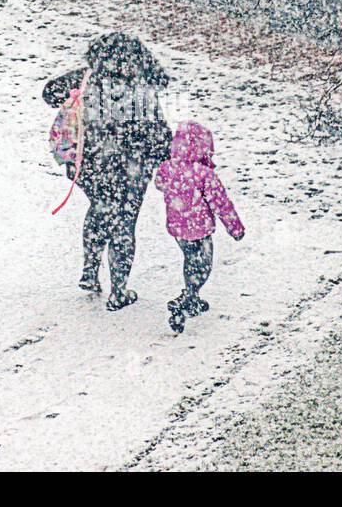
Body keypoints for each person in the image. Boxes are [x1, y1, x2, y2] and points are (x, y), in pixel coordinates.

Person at [43, 32, 172, 311]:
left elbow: (49, 93)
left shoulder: (88, 77)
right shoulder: (143, 88)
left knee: (100, 210)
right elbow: (160, 135)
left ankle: (90, 271)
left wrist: (76, 92)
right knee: (124, 223)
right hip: (132, 170)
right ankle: (119, 289)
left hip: (91, 167)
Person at [153, 120, 245, 333]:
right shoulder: (204, 174)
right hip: (200, 228)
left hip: (178, 228)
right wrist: (235, 227)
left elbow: (159, 184)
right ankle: (187, 298)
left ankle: (191, 296)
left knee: (190, 259)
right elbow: (221, 203)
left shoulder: (168, 168)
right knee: (203, 264)